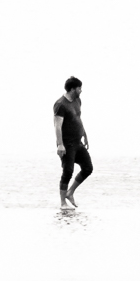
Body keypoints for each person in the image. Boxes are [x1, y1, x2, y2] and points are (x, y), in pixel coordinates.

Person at [52, 76, 93, 208]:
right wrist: (60, 144)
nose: (81, 90)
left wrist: (85, 134)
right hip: (67, 144)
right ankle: (63, 202)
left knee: (88, 168)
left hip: (78, 142)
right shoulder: (60, 104)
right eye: (79, 88)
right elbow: (57, 126)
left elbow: (78, 118)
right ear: (72, 89)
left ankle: (70, 193)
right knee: (68, 171)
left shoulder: (77, 100)